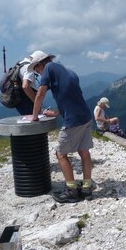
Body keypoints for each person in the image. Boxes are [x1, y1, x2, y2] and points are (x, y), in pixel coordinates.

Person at [28, 50, 94, 203]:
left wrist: (35, 115)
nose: (38, 74)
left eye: (37, 70)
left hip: (74, 121)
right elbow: (73, 98)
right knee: (84, 152)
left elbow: (40, 94)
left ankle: (71, 190)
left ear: (40, 64)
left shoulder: (48, 68)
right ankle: (86, 188)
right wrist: (58, 112)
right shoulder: (69, 71)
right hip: (85, 117)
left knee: (61, 154)